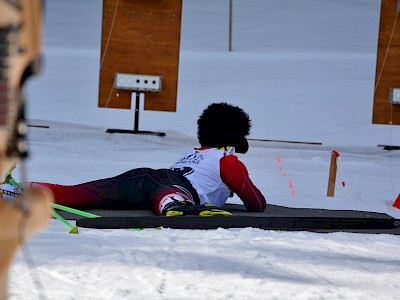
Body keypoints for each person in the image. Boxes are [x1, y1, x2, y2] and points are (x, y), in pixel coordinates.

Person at [1, 103, 266, 216]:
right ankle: (173, 206)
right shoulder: (228, 161)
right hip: (169, 186)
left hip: (143, 177)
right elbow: (256, 204)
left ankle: (16, 190)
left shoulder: (195, 153)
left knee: (80, 194)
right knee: (170, 193)